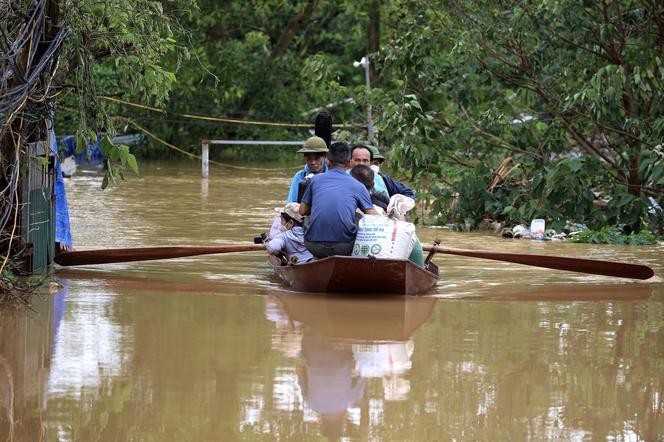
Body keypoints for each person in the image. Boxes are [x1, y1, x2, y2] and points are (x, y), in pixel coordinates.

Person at [299, 141, 378, 258]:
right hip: (344, 247)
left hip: (313, 245)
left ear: (327, 161)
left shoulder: (315, 180)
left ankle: (316, 259)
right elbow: (373, 216)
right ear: (350, 163)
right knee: (358, 216)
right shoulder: (358, 185)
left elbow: (302, 211)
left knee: (308, 219)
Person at [351, 145, 416, 201]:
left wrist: (397, 205)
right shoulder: (346, 178)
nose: (373, 166)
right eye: (358, 160)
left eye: (376, 163)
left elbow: (408, 193)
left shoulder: (383, 179)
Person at [286, 136, 328, 203]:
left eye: (317, 158)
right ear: (305, 158)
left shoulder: (334, 176)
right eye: (309, 159)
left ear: (325, 157)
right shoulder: (299, 177)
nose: (313, 162)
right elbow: (291, 202)